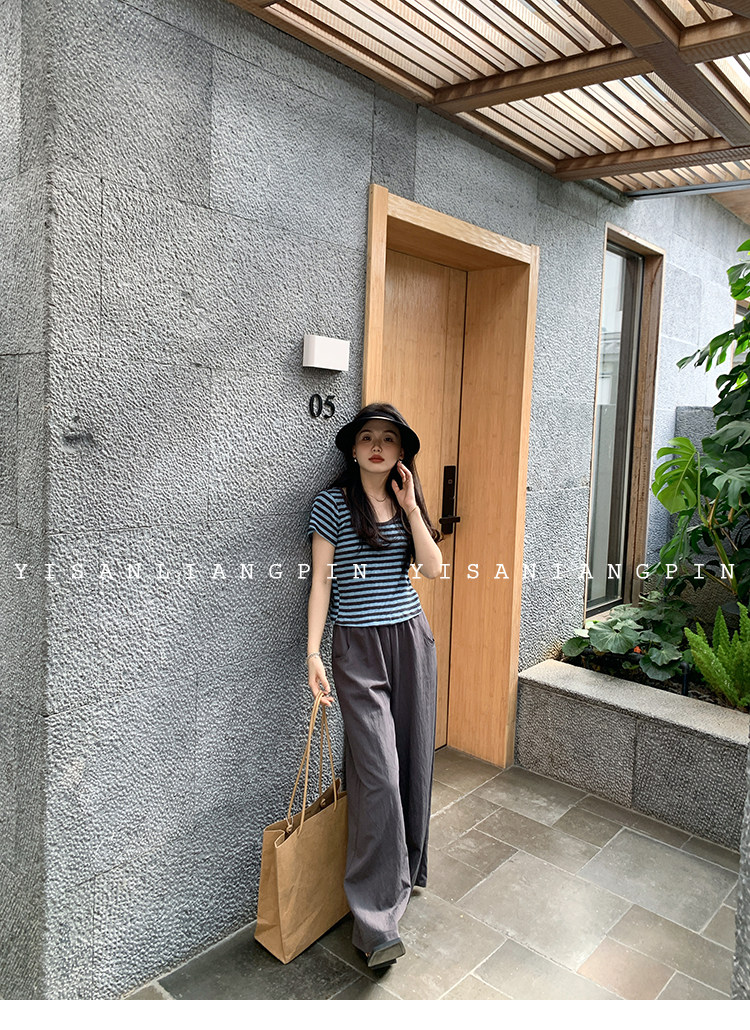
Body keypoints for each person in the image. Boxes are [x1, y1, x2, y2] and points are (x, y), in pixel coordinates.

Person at [306, 402, 444, 969]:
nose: (378, 446)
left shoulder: (406, 501)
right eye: (368, 437)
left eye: (389, 438)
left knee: (412, 758)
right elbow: (321, 582)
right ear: (353, 448)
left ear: (402, 451)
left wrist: (411, 508)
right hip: (358, 650)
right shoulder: (332, 505)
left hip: (410, 640)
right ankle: (376, 921)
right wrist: (312, 652)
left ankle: (407, 869)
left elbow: (433, 569)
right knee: (379, 777)